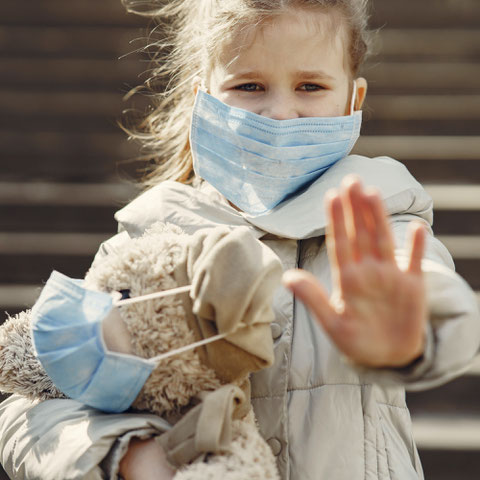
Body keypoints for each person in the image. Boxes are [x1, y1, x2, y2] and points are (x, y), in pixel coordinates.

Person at [0, 0, 479, 479]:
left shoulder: (379, 214)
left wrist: (412, 328)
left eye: (310, 86)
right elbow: (31, 403)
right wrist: (126, 455)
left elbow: (427, 284)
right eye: (249, 86)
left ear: (354, 101)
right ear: (202, 98)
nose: (280, 114)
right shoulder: (148, 242)